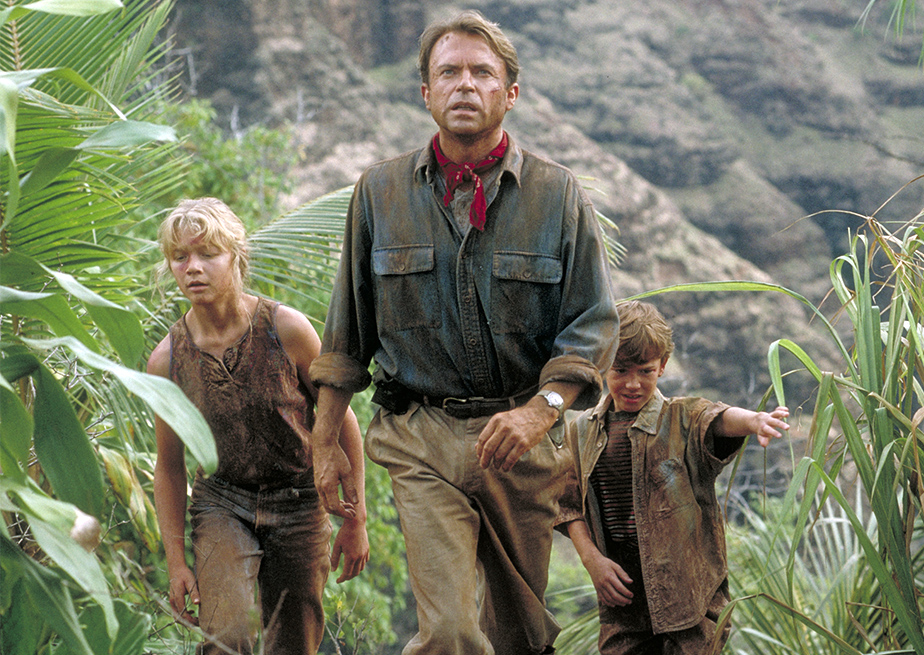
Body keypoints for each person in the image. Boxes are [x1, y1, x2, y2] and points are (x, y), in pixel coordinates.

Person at [305, 9, 619, 655]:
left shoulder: (558, 196)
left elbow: (592, 325)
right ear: (425, 93)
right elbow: (346, 333)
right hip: (421, 436)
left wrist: (541, 410)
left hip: (522, 443)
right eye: (448, 72)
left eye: (482, 72)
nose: (465, 85)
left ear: (511, 91)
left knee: (521, 637)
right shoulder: (379, 194)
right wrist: (324, 438)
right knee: (448, 631)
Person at [149, 198, 369, 655]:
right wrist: (176, 563)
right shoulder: (168, 359)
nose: (193, 268)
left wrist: (355, 520)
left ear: (235, 256)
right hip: (221, 500)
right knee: (225, 635)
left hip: (300, 498)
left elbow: (340, 421)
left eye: (208, 254)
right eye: (180, 257)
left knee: (294, 640)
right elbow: (169, 467)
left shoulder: (284, 328)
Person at [557, 300, 790, 655]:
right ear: (602, 363)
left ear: (662, 367)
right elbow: (569, 505)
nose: (633, 384)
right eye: (620, 370)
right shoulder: (581, 432)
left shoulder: (682, 418)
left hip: (691, 604)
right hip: (623, 606)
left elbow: (718, 418)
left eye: (645, 371)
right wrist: (592, 561)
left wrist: (755, 420)